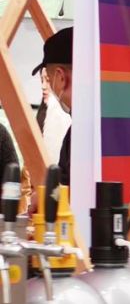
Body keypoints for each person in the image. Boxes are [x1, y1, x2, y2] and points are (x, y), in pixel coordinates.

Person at [31, 27, 73, 186]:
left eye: (48, 79)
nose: (44, 86)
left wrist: (47, 198)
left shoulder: (79, 134)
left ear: (61, 77)